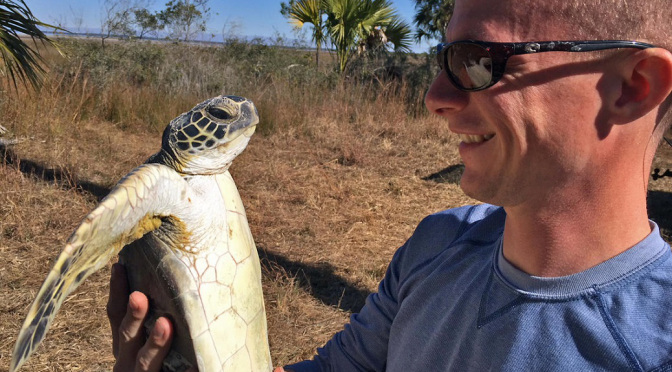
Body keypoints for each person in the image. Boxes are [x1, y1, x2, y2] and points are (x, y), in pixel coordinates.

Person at [107, 0, 672, 370]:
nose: (435, 97)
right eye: (441, 59)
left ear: (634, 86)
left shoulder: (653, 345)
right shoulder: (440, 246)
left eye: (477, 62)